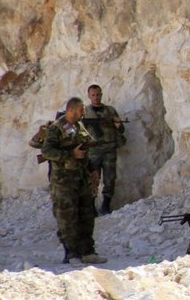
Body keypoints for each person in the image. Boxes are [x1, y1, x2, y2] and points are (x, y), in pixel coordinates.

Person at [40, 97, 108, 264]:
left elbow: (85, 150)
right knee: (67, 217)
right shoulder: (57, 128)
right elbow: (47, 151)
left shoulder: (78, 126)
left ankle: (87, 251)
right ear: (71, 110)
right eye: (81, 110)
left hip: (81, 178)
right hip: (63, 180)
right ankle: (71, 253)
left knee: (87, 215)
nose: (83, 113)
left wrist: (93, 170)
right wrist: (70, 155)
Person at [83, 84, 126, 215]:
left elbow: (121, 130)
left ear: (101, 94)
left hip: (109, 150)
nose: (96, 97)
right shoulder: (85, 112)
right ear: (89, 96)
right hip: (93, 151)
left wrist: (118, 125)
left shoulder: (110, 111)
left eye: (98, 94)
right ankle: (91, 207)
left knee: (110, 178)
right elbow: (78, 131)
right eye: (93, 95)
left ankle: (106, 205)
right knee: (93, 180)